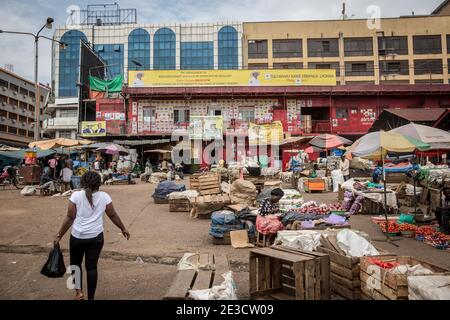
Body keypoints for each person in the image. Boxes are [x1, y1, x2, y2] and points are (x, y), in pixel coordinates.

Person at [53, 171, 130, 300]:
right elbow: (112, 215)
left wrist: (59, 235)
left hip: (77, 237)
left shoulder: (76, 196)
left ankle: (79, 292)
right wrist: (123, 228)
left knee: (75, 264)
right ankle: (91, 298)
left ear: (83, 182)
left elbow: (70, 217)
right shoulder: (104, 197)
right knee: (92, 267)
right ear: (98, 184)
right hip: (96, 238)